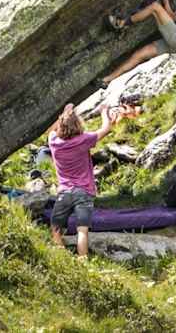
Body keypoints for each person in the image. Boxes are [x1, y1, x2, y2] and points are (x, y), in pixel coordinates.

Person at [48, 102, 120, 258]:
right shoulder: (83, 140)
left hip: (65, 192)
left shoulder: (54, 142)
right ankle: (83, 260)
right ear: (78, 125)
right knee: (82, 231)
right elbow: (105, 129)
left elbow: (51, 130)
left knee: (55, 230)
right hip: (84, 191)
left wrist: (65, 112)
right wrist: (104, 111)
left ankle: (63, 259)